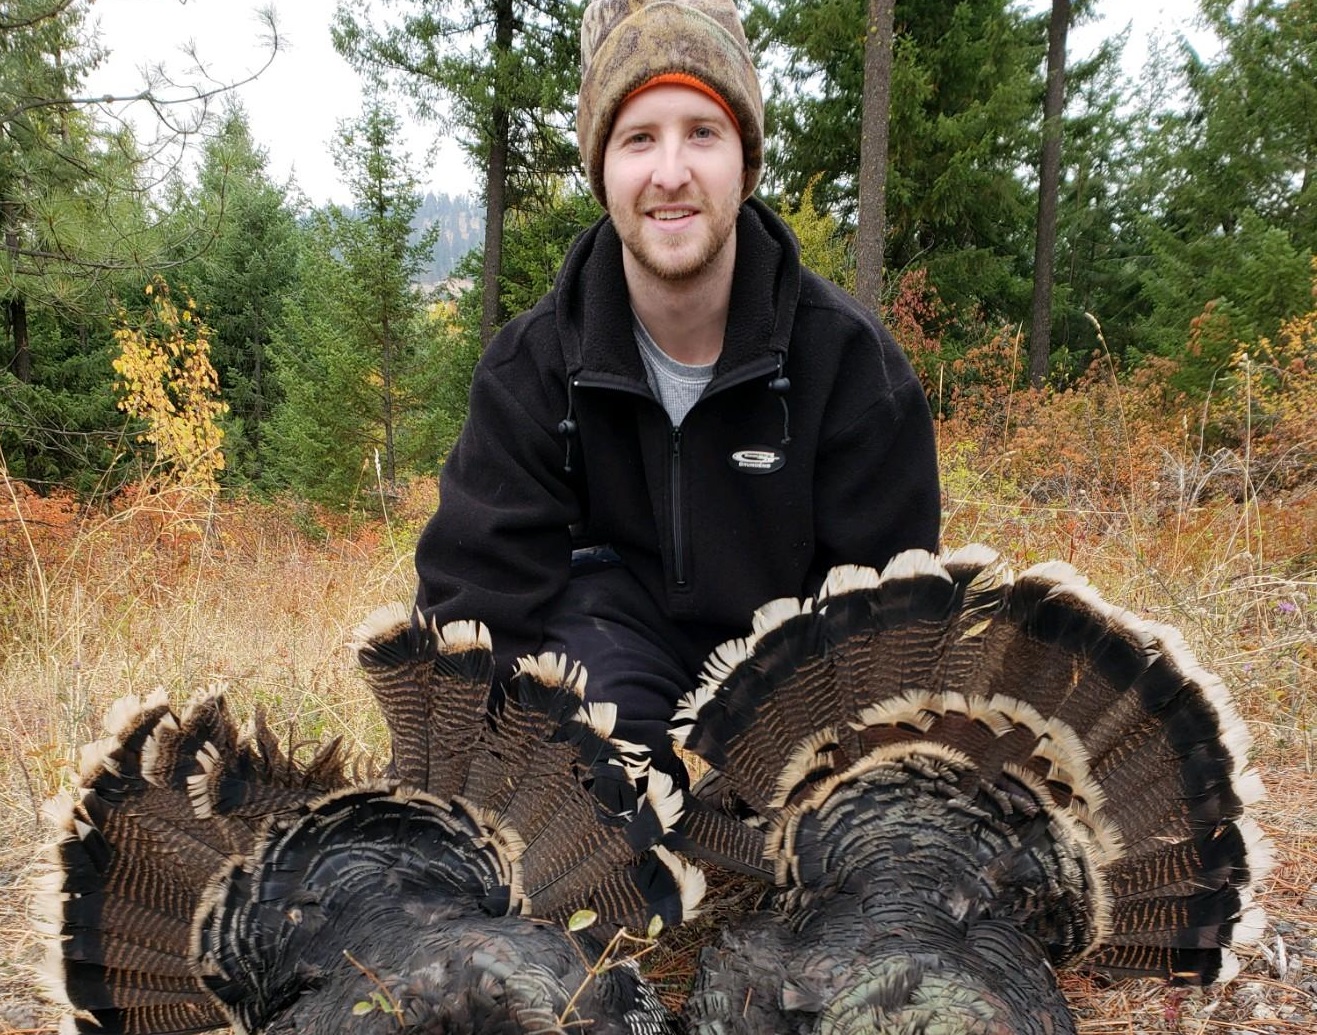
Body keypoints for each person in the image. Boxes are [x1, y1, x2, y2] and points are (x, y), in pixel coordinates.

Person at [413, 0, 940, 780]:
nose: (669, 173)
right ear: (602, 169)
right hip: (612, 681)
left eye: (702, 131)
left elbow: (890, 628)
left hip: (796, 702)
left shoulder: (853, 369)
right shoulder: (532, 370)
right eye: (637, 139)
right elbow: (471, 615)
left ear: (744, 162)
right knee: (594, 747)